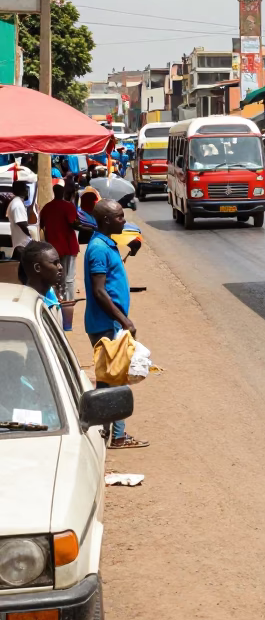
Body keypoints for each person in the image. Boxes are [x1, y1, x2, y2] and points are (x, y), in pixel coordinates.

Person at [83, 199, 148, 450]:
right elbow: (100, 292)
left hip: (109, 323)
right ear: (107, 221)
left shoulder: (105, 244)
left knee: (108, 380)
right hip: (106, 324)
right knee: (116, 379)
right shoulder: (98, 248)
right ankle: (118, 436)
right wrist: (124, 320)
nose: (124, 220)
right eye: (120, 217)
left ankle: (104, 432)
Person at [39, 181, 80, 300]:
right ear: (62, 193)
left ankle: (59, 300)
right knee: (69, 278)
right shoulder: (68, 207)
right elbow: (73, 223)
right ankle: (69, 302)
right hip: (68, 247)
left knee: (56, 277)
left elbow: (41, 226)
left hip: (53, 249)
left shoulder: (47, 207)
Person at [18, 240, 64, 323]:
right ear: (37, 268)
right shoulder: (30, 309)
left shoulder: (50, 293)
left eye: (59, 262)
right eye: (55, 263)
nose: (60, 267)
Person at [7, 180, 33, 260]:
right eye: (25, 188)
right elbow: (21, 223)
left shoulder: (17, 202)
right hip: (22, 246)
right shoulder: (17, 204)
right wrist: (32, 234)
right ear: (21, 191)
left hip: (21, 245)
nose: (27, 191)